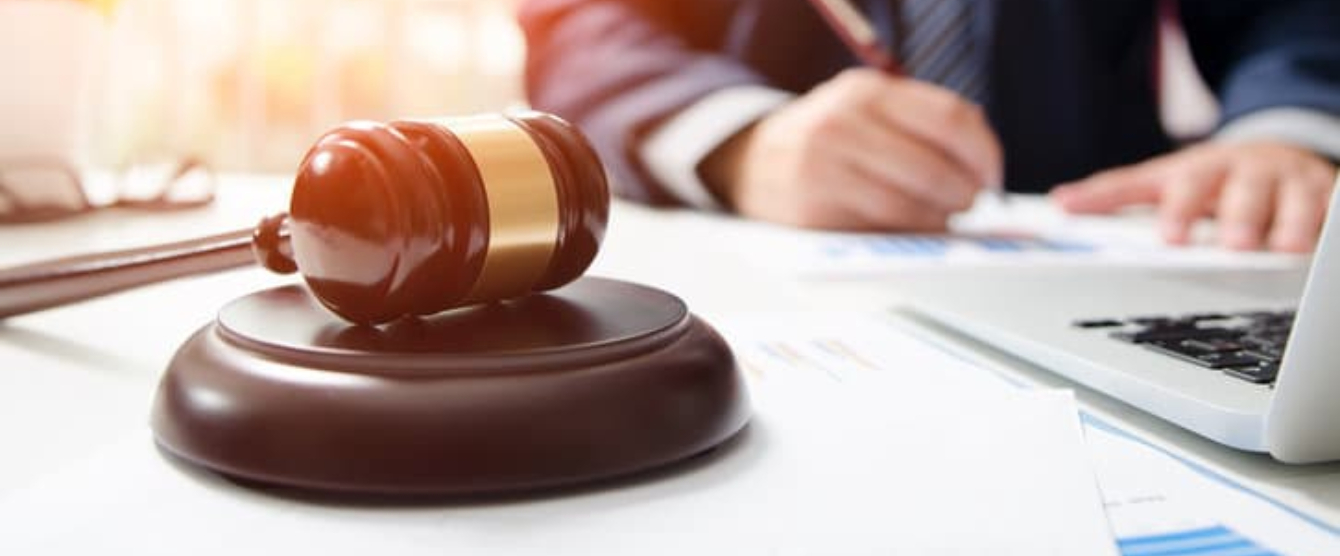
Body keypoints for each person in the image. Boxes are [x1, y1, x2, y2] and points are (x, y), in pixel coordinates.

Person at [518, 0, 1340, 252]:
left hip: (1101, 238)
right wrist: (742, 141)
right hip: (777, 258)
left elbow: (1292, 11)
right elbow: (587, 23)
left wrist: (1285, 129)